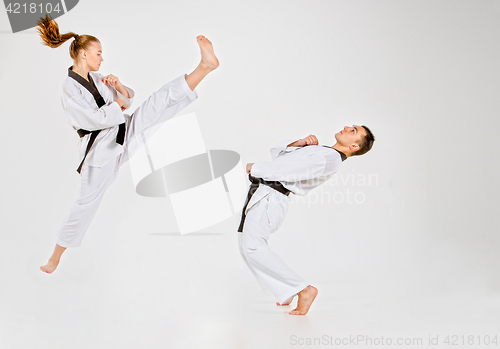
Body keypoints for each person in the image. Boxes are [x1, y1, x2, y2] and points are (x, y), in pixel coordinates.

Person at [37, 15, 219, 274]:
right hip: (99, 151)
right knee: (85, 205)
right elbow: (92, 119)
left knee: (157, 103)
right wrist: (117, 105)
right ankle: (55, 258)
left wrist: (119, 87)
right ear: (83, 54)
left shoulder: (98, 78)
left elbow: (125, 102)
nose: (101, 59)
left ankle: (204, 67)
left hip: (119, 131)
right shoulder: (69, 87)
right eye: (98, 53)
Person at [239, 126, 375, 315]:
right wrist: (300, 143)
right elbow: (279, 156)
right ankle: (285, 291)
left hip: (271, 197)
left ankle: (304, 290)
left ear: (354, 146)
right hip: (263, 193)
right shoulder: (326, 152)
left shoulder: (331, 159)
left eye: (353, 131)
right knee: (246, 246)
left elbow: (292, 170)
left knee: (253, 247)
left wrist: (256, 168)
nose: (346, 128)